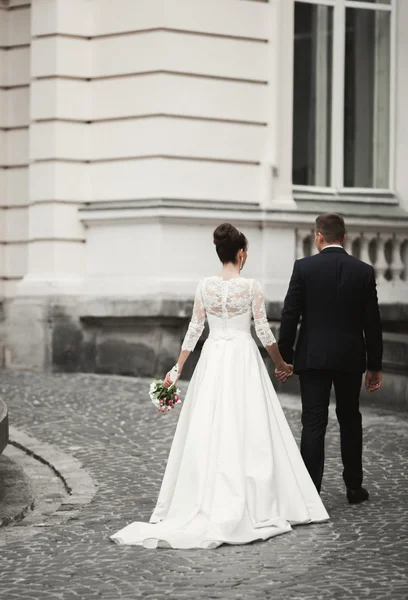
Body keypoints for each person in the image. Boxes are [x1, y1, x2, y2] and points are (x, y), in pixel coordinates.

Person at [110, 223, 329, 549]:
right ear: (241, 254)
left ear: (220, 253)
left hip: (213, 357)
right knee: (248, 423)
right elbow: (264, 332)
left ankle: (204, 491)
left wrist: (178, 367)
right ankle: (253, 493)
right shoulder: (251, 287)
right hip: (242, 357)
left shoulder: (205, 287)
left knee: (208, 423)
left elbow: (195, 330)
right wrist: (281, 363)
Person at [277, 213, 383, 504]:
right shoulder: (363, 271)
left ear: (319, 237)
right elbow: (372, 322)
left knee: (313, 422)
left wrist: (285, 357)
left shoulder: (304, 268)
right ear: (344, 237)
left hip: (313, 357)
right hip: (350, 359)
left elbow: (290, 315)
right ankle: (354, 488)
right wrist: (374, 365)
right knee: (350, 419)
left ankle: (311, 491)